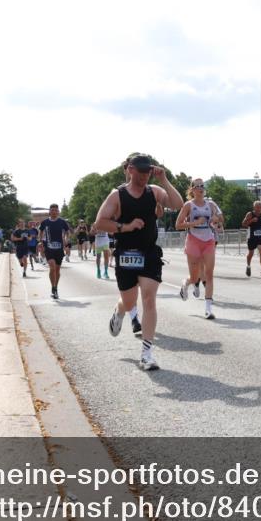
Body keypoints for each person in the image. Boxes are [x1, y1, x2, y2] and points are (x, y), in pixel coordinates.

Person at [93, 153, 183, 370]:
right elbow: (99, 223)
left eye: (148, 171)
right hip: (126, 253)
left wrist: (164, 179)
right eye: (141, 171)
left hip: (150, 253)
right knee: (130, 301)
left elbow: (178, 204)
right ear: (130, 169)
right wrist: (126, 227)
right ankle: (120, 311)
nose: (144, 176)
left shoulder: (155, 191)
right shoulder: (118, 195)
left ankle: (147, 353)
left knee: (149, 299)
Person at [175, 178, 223, 320]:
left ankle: (208, 309)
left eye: (202, 186)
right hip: (193, 242)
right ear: (192, 190)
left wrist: (216, 219)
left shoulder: (211, 205)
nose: (201, 188)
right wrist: (195, 222)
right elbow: (178, 225)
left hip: (208, 241)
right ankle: (185, 284)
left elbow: (220, 220)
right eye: (197, 186)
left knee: (209, 274)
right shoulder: (188, 205)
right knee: (195, 277)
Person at [38, 204, 70, 299]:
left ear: (58, 211)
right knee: (52, 267)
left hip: (59, 249)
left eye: (56, 210)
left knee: (57, 270)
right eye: (52, 210)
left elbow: (67, 232)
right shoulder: (45, 222)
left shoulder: (62, 222)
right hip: (49, 248)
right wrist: (41, 243)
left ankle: (56, 286)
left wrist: (66, 239)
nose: (54, 212)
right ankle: (53, 288)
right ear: (49, 211)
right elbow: (40, 231)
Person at [242, 201, 261, 277]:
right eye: (257, 207)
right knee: (251, 253)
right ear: (254, 207)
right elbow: (243, 224)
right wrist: (251, 220)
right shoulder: (250, 214)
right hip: (252, 237)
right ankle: (248, 266)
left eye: (260, 207)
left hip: (260, 236)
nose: (259, 209)